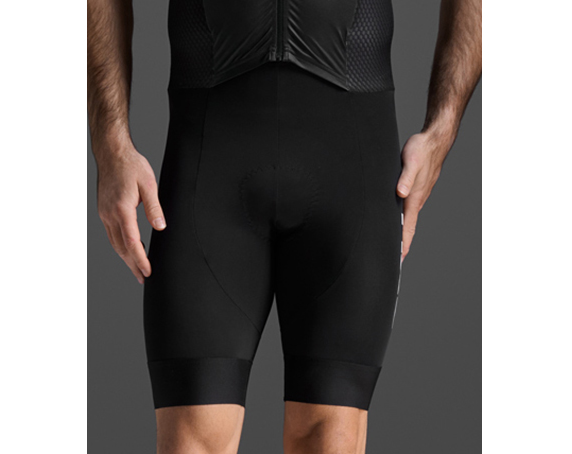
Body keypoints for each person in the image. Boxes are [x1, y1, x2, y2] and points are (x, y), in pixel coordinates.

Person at [87, 0, 481, 452]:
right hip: (210, 160)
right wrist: (110, 141)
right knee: (191, 440)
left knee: (330, 440)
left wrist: (442, 129)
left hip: (350, 165)